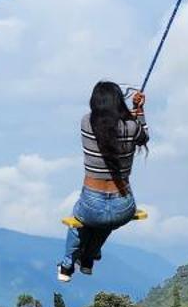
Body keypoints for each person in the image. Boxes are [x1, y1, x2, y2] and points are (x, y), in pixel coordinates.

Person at [57, 82, 147, 283]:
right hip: (123, 207)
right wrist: (138, 110)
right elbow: (144, 137)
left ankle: (67, 265)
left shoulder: (86, 123)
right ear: (118, 103)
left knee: (79, 222)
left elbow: (105, 120)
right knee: (106, 220)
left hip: (92, 203)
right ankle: (88, 259)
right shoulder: (131, 128)